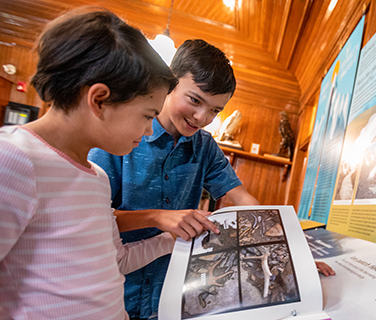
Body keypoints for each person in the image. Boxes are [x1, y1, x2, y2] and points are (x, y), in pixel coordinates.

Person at [0, 8, 179, 319]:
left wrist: (172, 240)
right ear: (99, 100)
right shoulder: (2, 159)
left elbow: (114, 262)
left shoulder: (96, 177)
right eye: (148, 115)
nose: (150, 130)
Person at [88, 39, 259, 320]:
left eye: (215, 110)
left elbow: (243, 199)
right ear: (170, 82)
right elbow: (91, 220)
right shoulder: (121, 133)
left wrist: (290, 255)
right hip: (113, 292)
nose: (202, 117)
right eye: (194, 100)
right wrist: (158, 217)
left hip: (170, 294)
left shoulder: (204, 146)